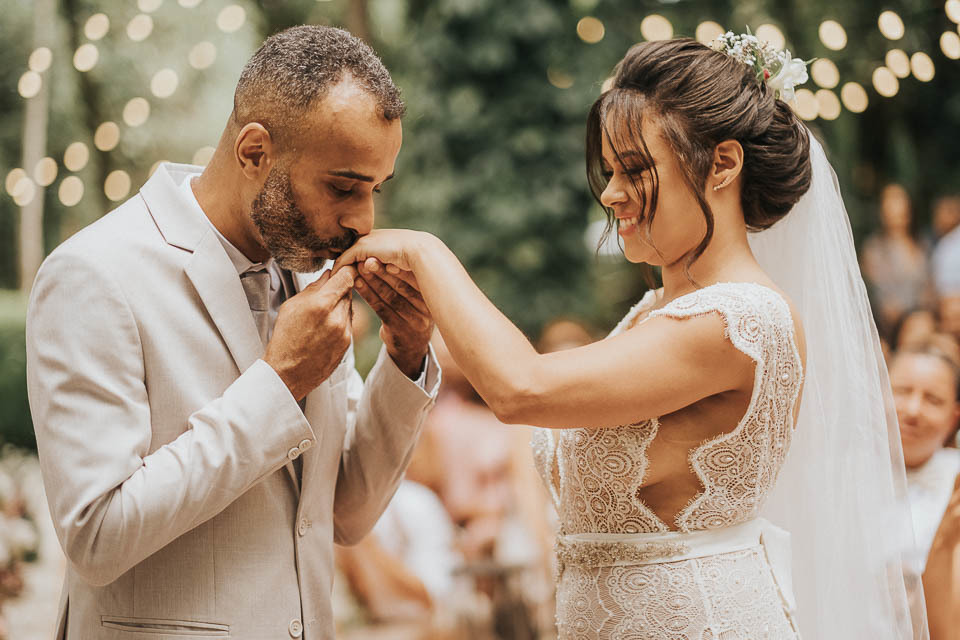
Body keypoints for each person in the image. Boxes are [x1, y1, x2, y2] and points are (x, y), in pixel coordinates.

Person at [335, 35, 924, 638]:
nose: (612, 193)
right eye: (611, 171)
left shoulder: (740, 321)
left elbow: (522, 388)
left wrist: (424, 251)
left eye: (636, 171)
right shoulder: (654, 312)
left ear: (723, 163)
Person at [25, 26, 439, 640]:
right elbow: (96, 536)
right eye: (343, 187)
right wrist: (277, 384)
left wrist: (405, 357)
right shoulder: (94, 274)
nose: (363, 221)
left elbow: (344, 514)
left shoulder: (308, 275)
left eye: (376, 189)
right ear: (254, 153)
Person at [861, 184, 934, 340]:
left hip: (921, 320)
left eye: (899, 200)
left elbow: (928, 288)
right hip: (887, 327)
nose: (894, 207)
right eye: (890, 201)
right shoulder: (874, 248)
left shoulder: (921, 244)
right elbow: (879, 295)